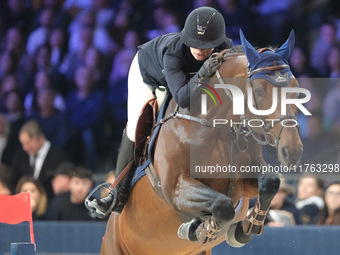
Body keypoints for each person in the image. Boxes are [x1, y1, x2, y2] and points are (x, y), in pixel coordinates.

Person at [88, 6, 233, 216]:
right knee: (137, 125)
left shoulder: (225, 47)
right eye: (194, 42)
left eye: (206, 45)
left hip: (184, 82)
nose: (199, 49)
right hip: (149, 75)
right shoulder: (174, 52)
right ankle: (116, 194)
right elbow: (183, 98)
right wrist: (203, 73)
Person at [10, 120, 68, 200]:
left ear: (41, 138)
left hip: (49, 205)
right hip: (24, 202)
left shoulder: (59, 156)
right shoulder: (21, 155)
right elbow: (13, 180)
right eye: (23, 144)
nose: (25, 148)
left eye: (28, 143)